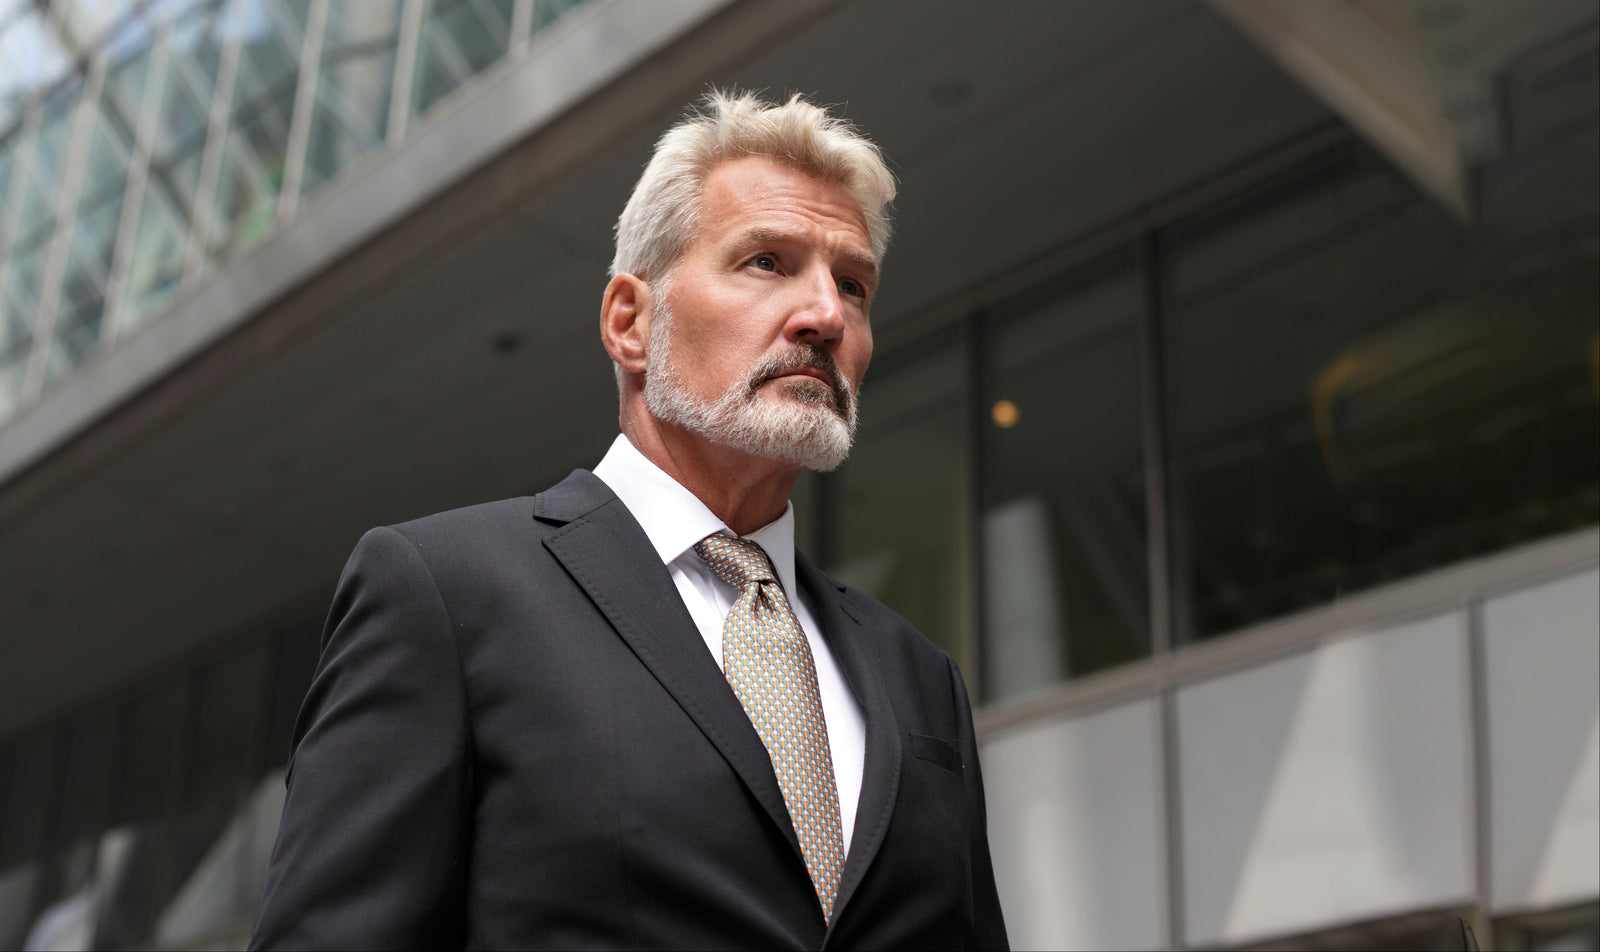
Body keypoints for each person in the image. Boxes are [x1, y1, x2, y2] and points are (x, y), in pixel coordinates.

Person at [250, 90, 1008, 950]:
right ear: (630, 322)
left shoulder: (920, 676)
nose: (826, 315)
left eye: (853, 283)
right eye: (766, 260)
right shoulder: (446, 594)